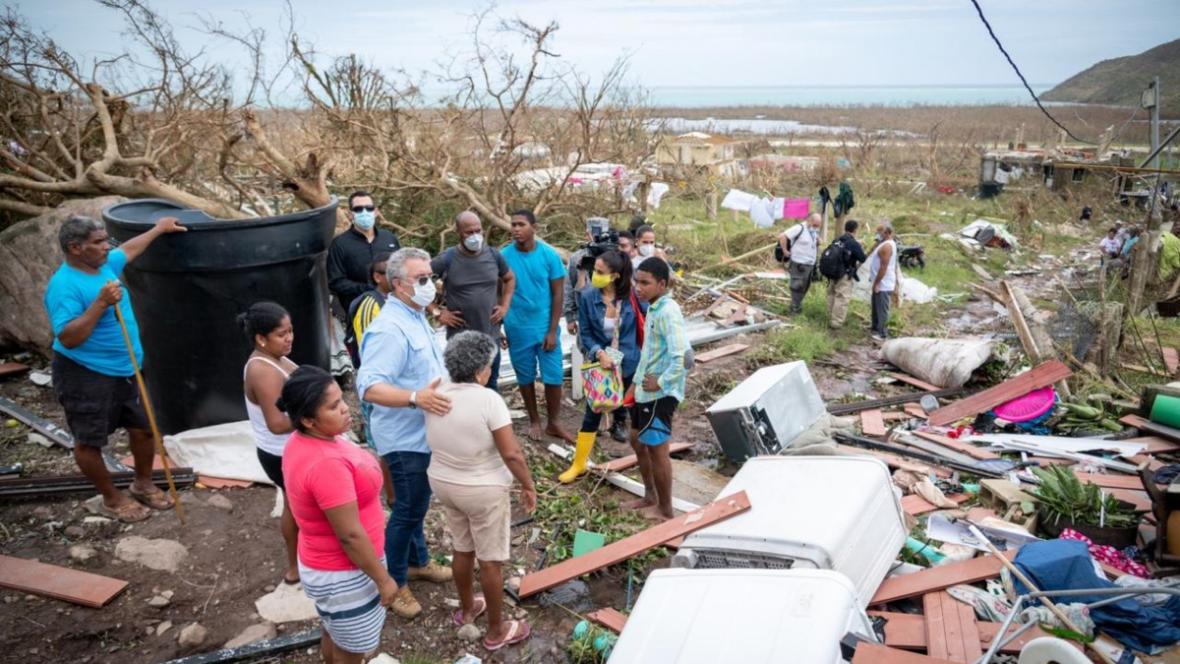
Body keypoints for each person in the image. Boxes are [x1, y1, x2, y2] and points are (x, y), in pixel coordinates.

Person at [44, 215, 186, 522]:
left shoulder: (104, 264)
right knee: (89, 440)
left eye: (106, 240)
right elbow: (68, 337)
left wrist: (159, 228)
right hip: (86, 373)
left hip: (128, 368)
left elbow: (130, 250)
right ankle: (111, 498)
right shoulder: (64, 286)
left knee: (145, 429)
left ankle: (143, 483)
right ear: (75, 247)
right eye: (98, 242)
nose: (107, 246)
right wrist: (100, 304)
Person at [356, 248, 454, 619]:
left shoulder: (416, 317)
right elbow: (369, 387)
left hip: (422, 432)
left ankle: (418, 561)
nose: (432, 285)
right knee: (407, 510)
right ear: (398, 284)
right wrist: (416, 398)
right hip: (403, 438)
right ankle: (394, 581)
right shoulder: (388, 329)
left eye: (432, 277)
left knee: (416, 506)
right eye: (423, 279)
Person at [425, 331, 537, 651]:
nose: (490, 371)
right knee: (490, 561)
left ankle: (467, 609)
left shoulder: (436, 390)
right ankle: (496, 630)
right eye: (489, 366)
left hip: (444, 484)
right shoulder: (488, 399)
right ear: (479, 371)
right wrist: (528, 485)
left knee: (463, 548)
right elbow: (512, 453)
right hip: (482, 489)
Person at [279, 366, 397, 663]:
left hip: (326, 565)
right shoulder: (325, 464)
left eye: (341, 399)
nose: (345, 408)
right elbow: (349, 535)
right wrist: (383, 580)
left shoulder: (304, 440)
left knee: (335, 631)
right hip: (345, 574)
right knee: (352, 649)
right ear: (308, 419)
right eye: (333, 406)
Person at [561, 251, 645, 482]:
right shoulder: (588, 297)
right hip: (602, 366)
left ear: (615, 276)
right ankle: (579, 464)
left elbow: (649, 323)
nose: (594, 275)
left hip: (630, 364)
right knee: (592, 412)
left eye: (599, 272)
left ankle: (645, 460)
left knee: (638, 411)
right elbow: (585, 335)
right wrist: (599, 353)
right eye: (594, 270)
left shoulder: (634, 296)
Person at [239, 302, 301, 585]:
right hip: (281, 452)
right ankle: (295, 568)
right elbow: (276, 424)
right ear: (261, 339)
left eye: (290, 331)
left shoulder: (276, 358)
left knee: (299, 506)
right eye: (281, 334)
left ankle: (302, 562)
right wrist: (315, 418)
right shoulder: (262, 370)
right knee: (296, 507)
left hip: (288, 449)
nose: (288, 338)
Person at [500, 210, 576, 444]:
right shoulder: (503, 257)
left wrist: (552, 330)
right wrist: (499, 326)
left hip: (544, 326)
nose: (515, 229)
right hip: (516, 327)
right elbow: (497, 292)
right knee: (525, 376)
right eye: (513, 224)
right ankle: (534, 419)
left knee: (553, 376)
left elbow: (558, 293)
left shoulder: (549, 256)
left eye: (521, 224)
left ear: (534, 227)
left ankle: (554, 422)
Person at [626, 257, 688, 521]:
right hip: (644, 390)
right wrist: (634, 384)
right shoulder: (652, 307)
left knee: (657, 449)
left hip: (660, 394)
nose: (638, 287)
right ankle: (650, 495)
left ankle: (665, 509)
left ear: (662, 284)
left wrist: (660, 382)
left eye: (645, 283)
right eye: (636, 281)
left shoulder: (668, 312)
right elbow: (649, 352)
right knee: (637, 440)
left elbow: (683, 357)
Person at [429, 211, 516, 392]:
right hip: (461, 340)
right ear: (458, 232)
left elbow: (509, 278)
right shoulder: (448, 258)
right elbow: (415, 279)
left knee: (490, 386)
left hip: (490, 336)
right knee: (463, 389)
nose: (475, 236)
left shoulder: (493, 255)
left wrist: (505, 306)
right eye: (469, 232)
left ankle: (491, 421)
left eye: (478, 231)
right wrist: (437, 312)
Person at [341, 253, 398, 505]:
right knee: (384, 441)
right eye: (389, 271)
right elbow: (369, 349)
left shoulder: (393, 301)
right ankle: (391, 496)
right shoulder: (370, 304)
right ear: (377, 276)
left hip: (392, 383)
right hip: (378, 384)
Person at [327, 191, 401, 376]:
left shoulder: (389, 239)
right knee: (370, 362)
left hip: (393, 309)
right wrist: (369, 289)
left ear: (376, 211)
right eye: (359, 209)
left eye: (368, 208)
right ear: (350, 213)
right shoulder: (340, 245)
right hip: (361, 313)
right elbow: (335, 281)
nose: (364, 212)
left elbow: (403, 270)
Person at [563, 217, 611, 337]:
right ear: (587, 234)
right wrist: (570, 318)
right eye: (595, 234)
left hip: (611, 317)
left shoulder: (615, 256)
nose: (598, 238)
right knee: (589, 351)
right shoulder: (577, 258)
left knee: (613, 352)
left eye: (602, 234)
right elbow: (569, 287)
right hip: (585, 319)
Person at [826, 219, 868, 330]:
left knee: (832, 295)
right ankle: (836, 322)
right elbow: (862, 258)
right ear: (855, 230)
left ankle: (830, 317)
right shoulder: (853, 243)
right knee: (842, 297)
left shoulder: (837, 240)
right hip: (844, 274)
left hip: (832, 272)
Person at [778, 212, 822, 315]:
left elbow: (816, 241)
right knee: (797, 287)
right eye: (815, 225)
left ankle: (797, 307)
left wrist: (817, 240)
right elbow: (782, 236)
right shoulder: (799, 228)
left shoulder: (813, 231)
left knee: (805, 287)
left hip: (809, 264)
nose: (816, 227)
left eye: (818, 225)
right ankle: (794, 310)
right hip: (799, 264)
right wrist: (785, 250)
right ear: (809, 221)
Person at [867, 223, 900, 342]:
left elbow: (883, 267)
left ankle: (882, 333)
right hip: (880, 281)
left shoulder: (887, 246)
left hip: (884, 283)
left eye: (880, 232)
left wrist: (877, 283)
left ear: (887, 233)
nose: (878, 234)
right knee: (876, 306)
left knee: (882, 308)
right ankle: (875, 328)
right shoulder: (884, 244)